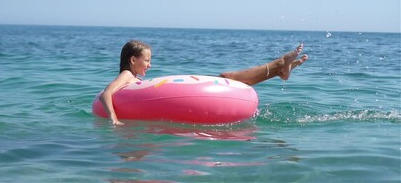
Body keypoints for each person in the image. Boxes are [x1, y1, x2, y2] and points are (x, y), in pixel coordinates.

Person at [100, 40, 308, 125]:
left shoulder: (133, 78)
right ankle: (279, 68)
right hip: (125, 112)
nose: (149, 65)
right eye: (147, 60)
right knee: (227, 77)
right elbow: (106, 94)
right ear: (132, 60)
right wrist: (114, 118)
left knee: (228, 77)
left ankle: (279, 68)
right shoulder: (127, 76)